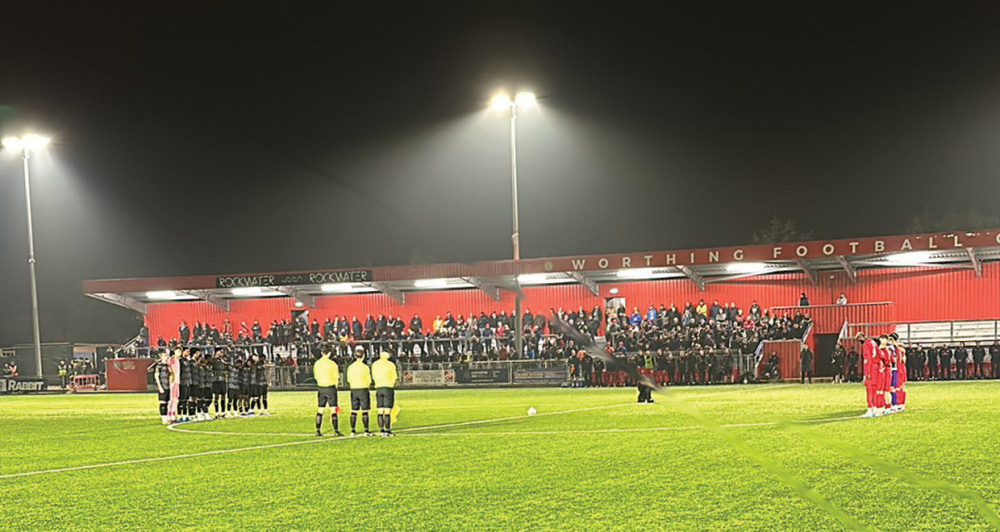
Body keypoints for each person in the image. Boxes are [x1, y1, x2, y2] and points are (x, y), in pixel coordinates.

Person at [313, 347, 343, 437]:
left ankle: (317, 430)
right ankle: (336, 431)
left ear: (322, 353)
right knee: (333, 409)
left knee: (320, 409)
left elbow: (316, 376)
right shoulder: (332, 364)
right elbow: (336, 378)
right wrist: (335, 388)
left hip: (321, 387)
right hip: (330, 387)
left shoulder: (317, 363)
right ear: (329, 353)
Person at [346, 346, 373, 437]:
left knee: (353, 410)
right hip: (363, 389)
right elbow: (369, 380)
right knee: (364, 410)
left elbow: (348, 379)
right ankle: (366, 430)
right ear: (364, 356)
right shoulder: (365, 367)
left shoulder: (351, 367)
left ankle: (353, 431)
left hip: (354, 389)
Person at [371, 350, 399, 436]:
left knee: (380, 410)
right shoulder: (390, 365)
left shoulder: (375, 364)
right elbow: (394, 377)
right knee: (387, 410)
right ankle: (387, 430)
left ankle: (381, 430)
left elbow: (373, 376)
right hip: (388, 387)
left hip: (378, 387)